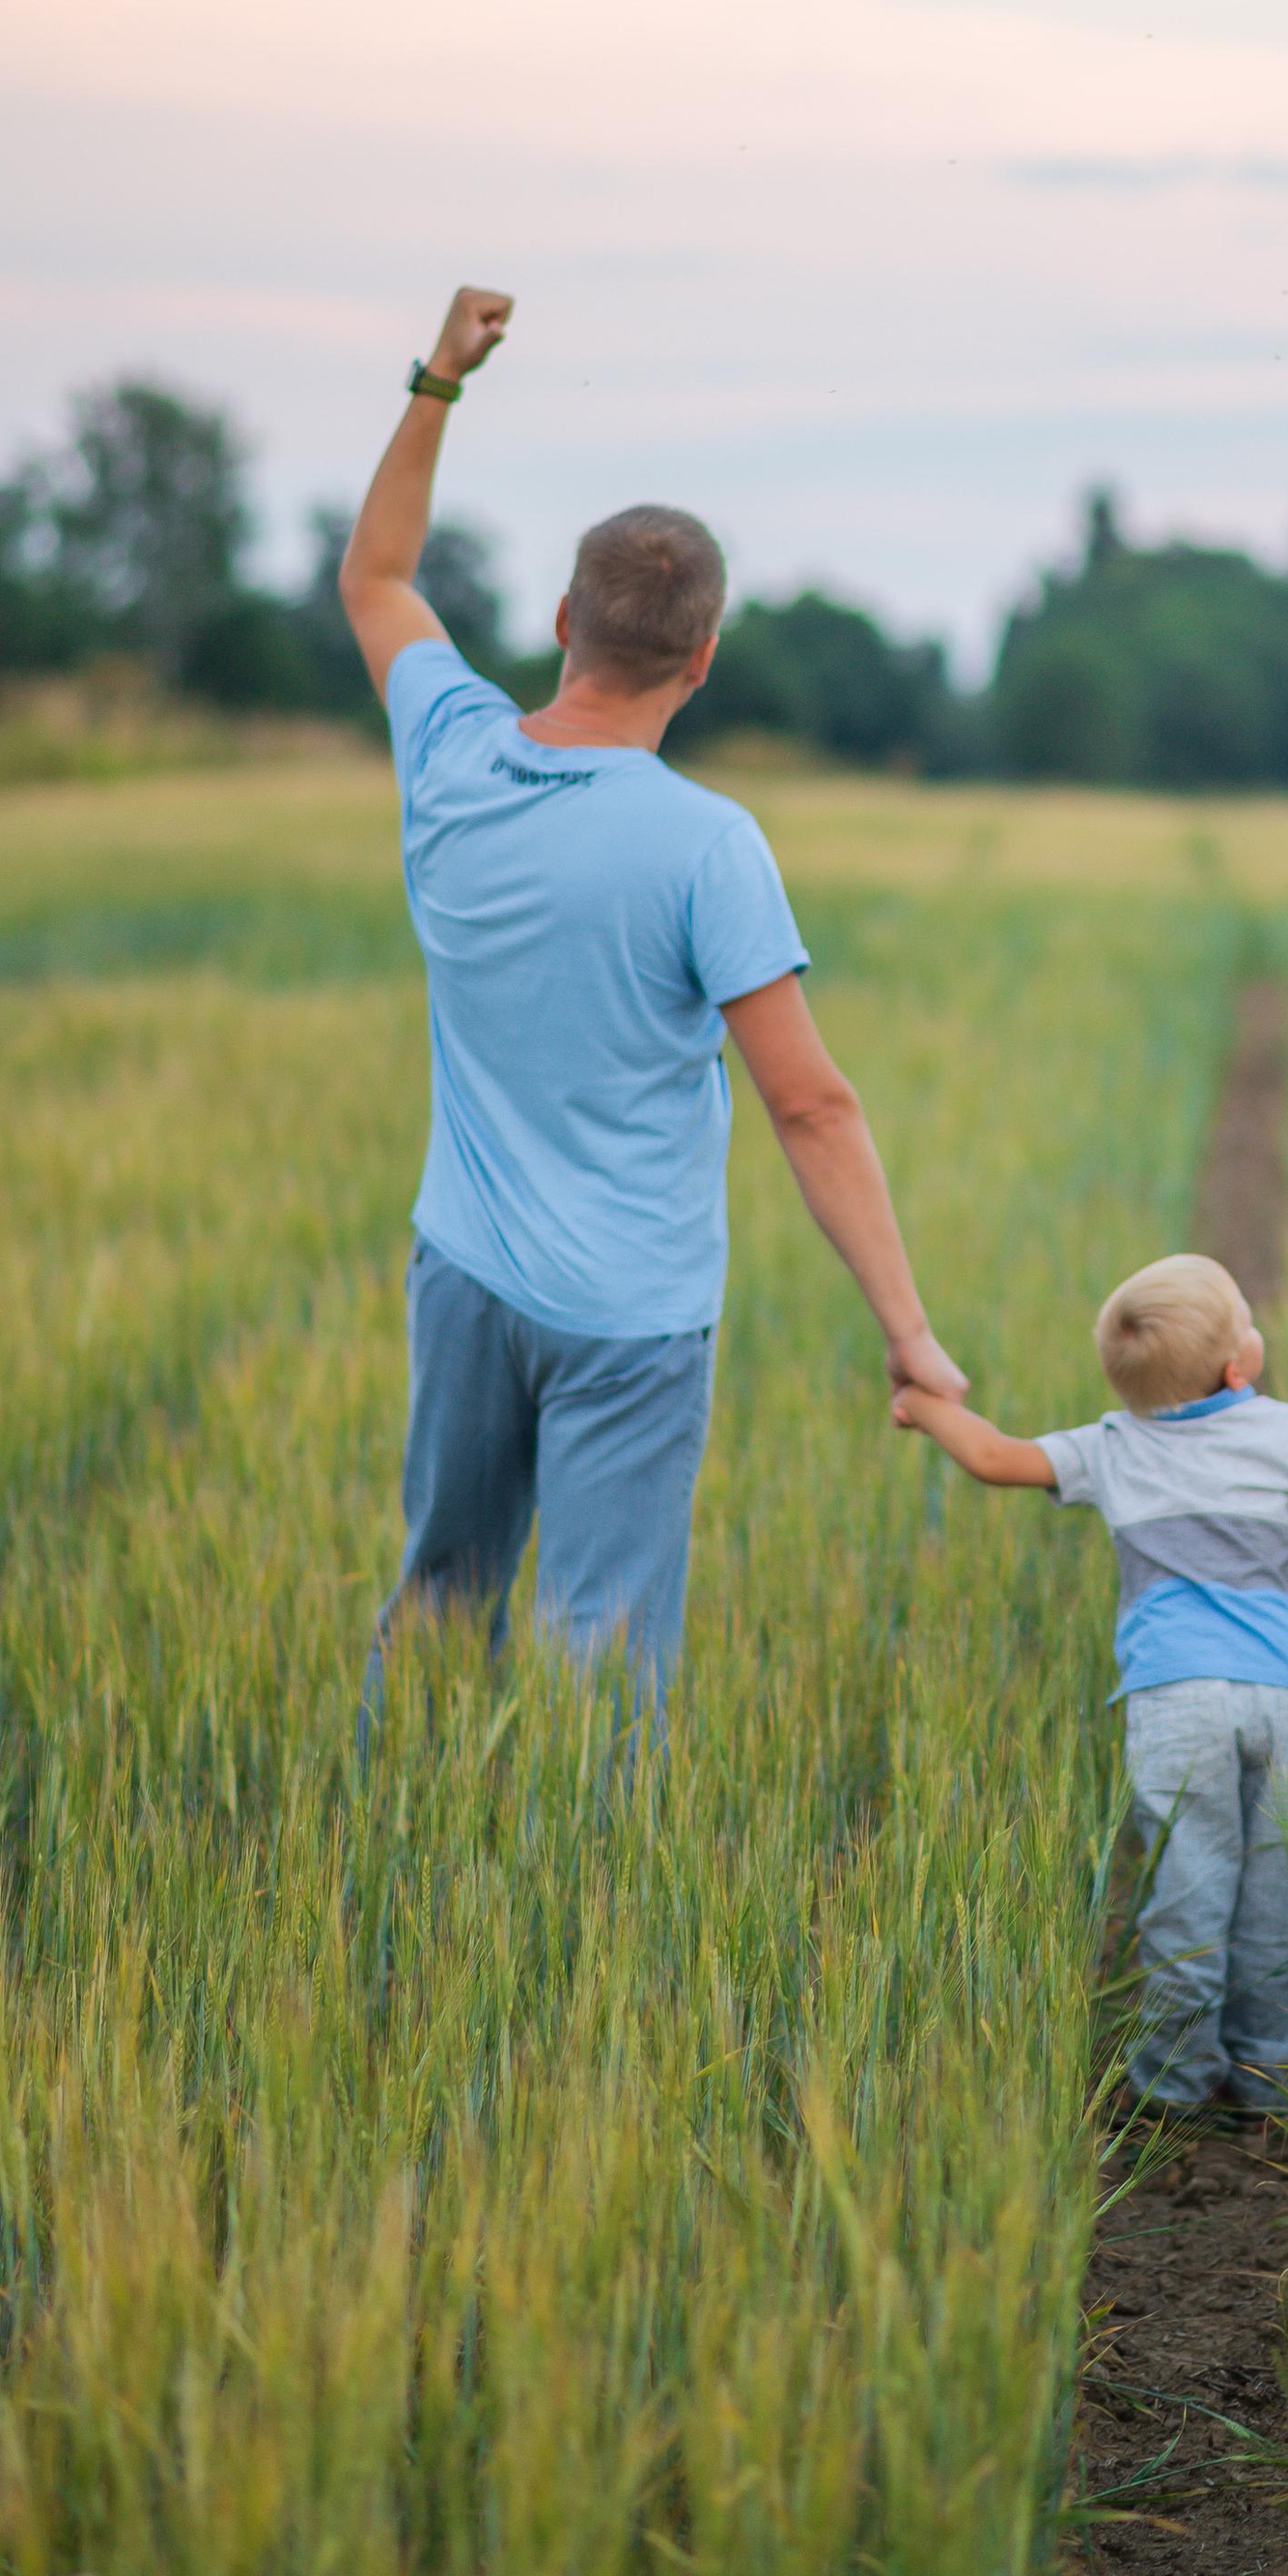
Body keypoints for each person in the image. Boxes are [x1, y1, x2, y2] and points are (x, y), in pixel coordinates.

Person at [338, 285, 966, 1739]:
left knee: (441, 1594)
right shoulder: (709, 846)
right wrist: (908, 1328)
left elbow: (377, 575)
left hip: (463, 1276)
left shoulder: (451, 749)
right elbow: (810, 1101)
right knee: (597, 1653)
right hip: (630, 1315)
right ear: (703, 659)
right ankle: (566, 1936)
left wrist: (441, 376)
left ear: (562, 621)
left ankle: (388, 1886)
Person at [893, 1251, 1288, 2112]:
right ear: (1239, 1365)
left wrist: (924, 1404)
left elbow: (994, 1457)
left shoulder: (1112, 1446)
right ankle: (1268, 2073)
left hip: (1175, 1699)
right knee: (1283, 1890)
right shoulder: (1280, 1431)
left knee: (1187, 1888)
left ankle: (1174, 2081)